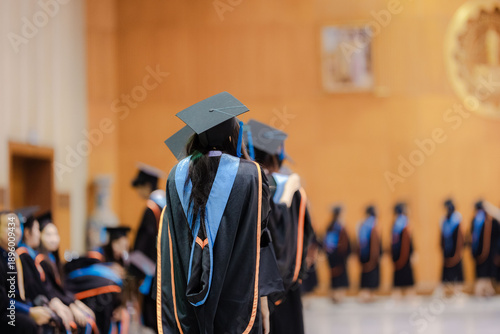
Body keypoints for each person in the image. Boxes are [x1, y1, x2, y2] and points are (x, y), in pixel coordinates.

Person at [158, 92, 283, 334]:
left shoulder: (176, 176)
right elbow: (260, 236)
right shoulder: (251, 175)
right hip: (239, 302)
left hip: (187, 304)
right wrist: (264, 299)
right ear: (232, 135)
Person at [246, 119, 314, 334]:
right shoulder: (290, 188)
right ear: (275, 155)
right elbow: (305, 235)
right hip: (285, 284)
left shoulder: (246, 183)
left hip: (253, 285)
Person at [36, 212, 97, 332]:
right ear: (39, 236)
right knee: (82, 322)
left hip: (62, 301)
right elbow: (51, 291)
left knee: (88, 316)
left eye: (55, 234)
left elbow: (61, 288)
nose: (53, 239)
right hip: (51, 305)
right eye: (48, 235)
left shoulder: (53, 259)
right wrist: (71, 305)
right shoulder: (40, 261)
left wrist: (75, 302)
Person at [0, 210, 52, 333]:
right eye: (9, 226)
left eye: (17, 227)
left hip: (10, 308)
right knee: (26, 323)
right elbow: (2, 300)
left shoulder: (13, 257)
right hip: (3, 311)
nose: (15, 231)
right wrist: (28, 311)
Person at [131, 163, 165, 332]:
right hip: (166, 269)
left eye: (139, 187)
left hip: (152, 273)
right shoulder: (165, 203)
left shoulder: (151, 208)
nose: (138, 193)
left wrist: (133, 272)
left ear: (146, 185)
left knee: (151, 317)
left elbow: (143, 245)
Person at [470, 201, 497, 296]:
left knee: (486, 274)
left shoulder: (490, 222)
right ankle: (485, 290)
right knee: (480, 274)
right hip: (478, 253)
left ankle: (487, 289)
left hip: (488, 254)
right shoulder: (475, 221)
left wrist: (491, 209)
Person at [324, 206, 351, 303]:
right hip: (339, 255)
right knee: (340, 274)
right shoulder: (339, 226)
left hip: (331, 254)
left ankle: (334, 294)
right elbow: (345, 243)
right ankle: (337, 295)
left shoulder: (330, 226)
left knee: (334, 274)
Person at [440, 199, 464, 296]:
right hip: (448, 251)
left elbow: (460, 237)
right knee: (447, 271)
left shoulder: (457, 220)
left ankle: (457, 291)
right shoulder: (444, 221)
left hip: (455, 251)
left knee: (457, 271)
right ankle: (447, 291)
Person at [391, 202, 415, 296]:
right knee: (407, 273)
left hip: (396, 255)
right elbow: (409, 240)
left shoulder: (394, 224)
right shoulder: (405, 223)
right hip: (405, 254)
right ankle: (409, 293)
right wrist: (413, 252)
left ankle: (398, 293)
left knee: (399, 274)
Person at [357, 205, 381, 303]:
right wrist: (377, 255)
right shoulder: (373, 224)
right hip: (372, 255)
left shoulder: (362, 224)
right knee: (372, 274)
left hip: (364, 255)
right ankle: (369, 295)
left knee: (366, 274)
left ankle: (366, 294)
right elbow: (376, 242)